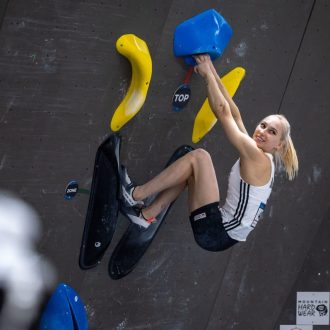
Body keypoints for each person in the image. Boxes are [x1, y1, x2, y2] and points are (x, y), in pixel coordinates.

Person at [119, 54, 299, 251]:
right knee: (190, 170)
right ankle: (146, 216)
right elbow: (235, 112)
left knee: (199, 157)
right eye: (263, 125)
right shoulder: (263, 155)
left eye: (272, 132)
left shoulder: (258, 158)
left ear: (278, 145)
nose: (263, 132)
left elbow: (223, 112)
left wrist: (206, 76)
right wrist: (210, 68)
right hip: (222, 235)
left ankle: (135, 194)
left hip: (216, 231)